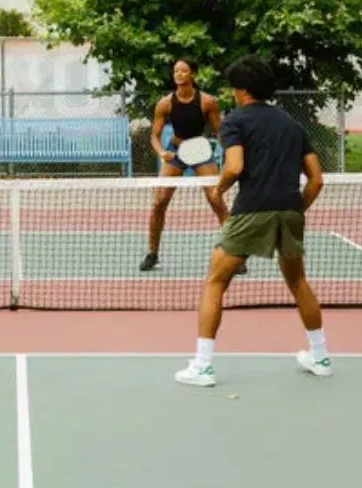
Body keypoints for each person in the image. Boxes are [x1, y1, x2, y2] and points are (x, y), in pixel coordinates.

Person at [173, 55, 330, 387]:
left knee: (215, 281)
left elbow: (234, 166)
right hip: (289, 209)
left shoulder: (235, 121)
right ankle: (321, 357)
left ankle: (202, 366)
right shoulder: (291, 123)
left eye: (233, 87)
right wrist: (296, 208)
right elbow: (316, 179)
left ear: (241, 90)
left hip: (251, 210)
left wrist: (218, 191)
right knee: (298, 281)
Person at [141, 58, 244, 275]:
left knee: (215, 199)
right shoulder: (165, 103)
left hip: (200, 150)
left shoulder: (207, 102)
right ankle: (152, 253)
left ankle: (235, 253)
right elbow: (154, 136)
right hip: (175, 151)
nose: (178, 74)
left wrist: (230, 155)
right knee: (159, 202)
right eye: (176, 71)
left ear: (192, 75)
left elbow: (220, 132)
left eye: (183, 71)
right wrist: (161, 152)